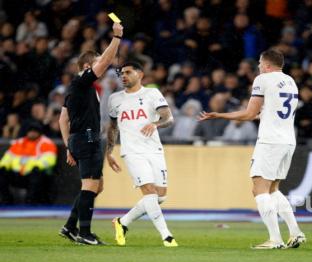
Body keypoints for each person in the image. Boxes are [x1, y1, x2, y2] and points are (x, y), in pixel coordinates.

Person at [199, 49, 305, 249]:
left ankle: (275, 239)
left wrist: (219, 115)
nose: (258, 66)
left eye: (259, 63)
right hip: (288, 140)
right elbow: (267, 111)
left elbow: (249, 114)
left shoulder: (262, 79)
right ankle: (296, 233)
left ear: (266, 65)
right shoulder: (291, 81)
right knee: (273, 188)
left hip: (270, 141)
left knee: (259, 189)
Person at [58, 22, 124, 245]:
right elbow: (106, 61)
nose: (101, 68)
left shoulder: (76, 89)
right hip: (86, 137)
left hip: (82, 139)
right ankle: (84, 234)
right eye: (95, 64)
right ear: (87, 66)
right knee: (90, 185)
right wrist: (116, 38)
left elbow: (62, 119)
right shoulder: (81, 82)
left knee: (98, 186)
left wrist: (69, 146)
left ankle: (70, 227)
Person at [106, 62, 178, 247]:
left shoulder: (152, 94)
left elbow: (168, 118)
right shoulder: (114, 99)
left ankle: (122, 222)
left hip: (154, 149)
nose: (123, 76)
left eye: (128, 72)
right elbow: (112, 127)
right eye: (121, 73)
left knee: (160, 196)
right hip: (132, 152)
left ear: (140, 74)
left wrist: (155, 124)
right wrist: (109, 151)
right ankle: (167, 236)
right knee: (149, 192)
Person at [0, 122, 57, 204]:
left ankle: (30, 202)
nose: (32, 133)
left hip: (34, 173)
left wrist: (37, 166)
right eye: (30, 131)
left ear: (39, 132)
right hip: (17, 174)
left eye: (35, 131)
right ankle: (7, 200)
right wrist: (3, 166)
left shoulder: (46, 143)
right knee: (1, 174)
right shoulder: (19, 142)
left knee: (37, 176)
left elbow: (50, 159)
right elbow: (8, 156)